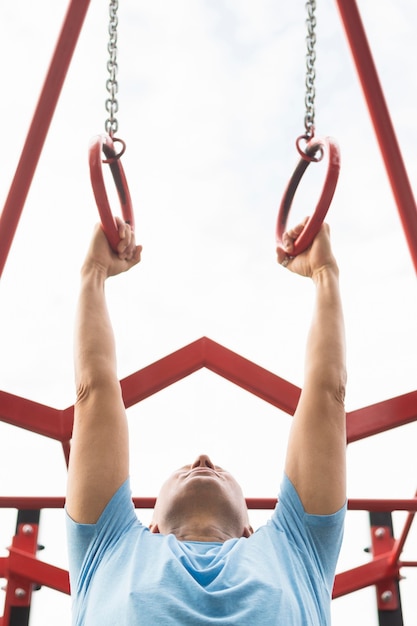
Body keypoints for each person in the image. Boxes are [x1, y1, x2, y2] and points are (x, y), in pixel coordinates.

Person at [66, 217, 347, 625]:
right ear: (153, 525)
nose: (202, 458)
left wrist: (325, 273)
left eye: (213, 466)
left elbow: (328, 395)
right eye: (201, 463)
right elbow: (92, 392)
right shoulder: (109, 546)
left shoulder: (295, 547)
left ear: (251, 530)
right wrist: (92, 272)